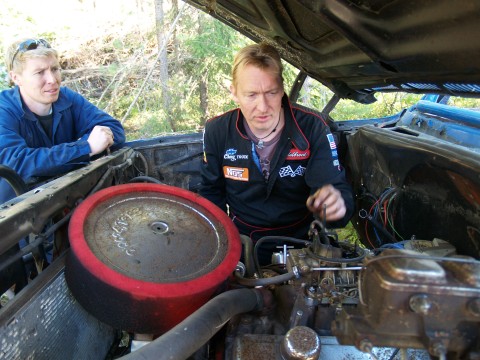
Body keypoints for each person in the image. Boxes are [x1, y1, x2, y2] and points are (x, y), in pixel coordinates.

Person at [200, 43, 354, 264]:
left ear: (282, 89)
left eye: (271, 93)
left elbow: (336, 189)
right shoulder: (217, 131)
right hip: (242, 243)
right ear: (234, 93)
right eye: (251, 95)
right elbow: (210, 195)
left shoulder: (312, 128)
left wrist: (336, 206)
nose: (262, 107)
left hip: (303, 244)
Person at [0, 38, 125, 204]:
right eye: (39, 72)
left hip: (63, 196)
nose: (52, 79)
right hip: (17, 212)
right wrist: (85, 147)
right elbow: (16, 163)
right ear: (16, 78)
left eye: (55, 69)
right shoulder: (4, 110)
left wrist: (84, 147)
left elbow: (113, 128)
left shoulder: (66, 98)